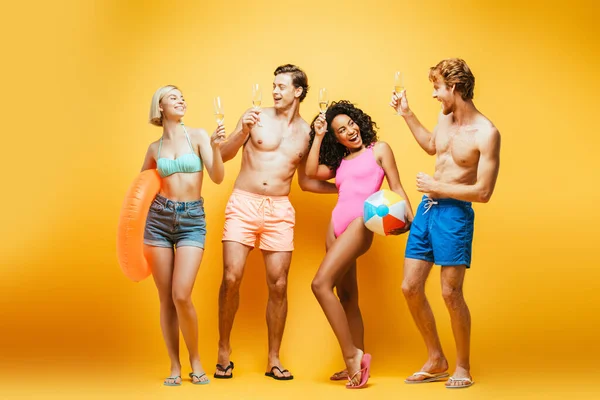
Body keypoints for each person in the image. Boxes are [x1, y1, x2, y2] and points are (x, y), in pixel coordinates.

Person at [214, 65, 337, 380]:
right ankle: (223, 351)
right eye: (273, 85)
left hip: (280, 209)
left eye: (281, 86)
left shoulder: (309, 132)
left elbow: (307, 181)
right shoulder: (255, 117)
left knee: (279, 285)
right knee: (231, 277)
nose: (275, 91)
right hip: (244, 202)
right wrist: (241, 130)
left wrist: (343, 188)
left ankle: (273, 358)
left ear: (298, 91)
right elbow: (224, 156)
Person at [390, 58, 501, 389]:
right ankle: (436, 358)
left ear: (453, 87)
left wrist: (438, 187)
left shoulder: (487, 133)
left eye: (437, 87)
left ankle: (462, 367)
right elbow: (431, 145)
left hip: (454, 214)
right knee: (410, 287)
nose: (435, 95)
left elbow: (483, 192)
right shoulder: (444, 117)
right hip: (427, 210)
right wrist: (406, 114)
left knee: (450, 293)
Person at [306, 101, 414, 388]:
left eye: (351, 124)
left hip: (359, 224)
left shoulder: (379, 149)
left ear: (359, 122)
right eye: (341, 130)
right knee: (348, 296)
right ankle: (354, 366)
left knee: (319, 284)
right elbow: (308, 175)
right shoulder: (340, 162)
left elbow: (396, 186)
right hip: (335, 226)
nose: (349, 131)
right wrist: (317, 136)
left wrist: (409, 219)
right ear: (336, 138)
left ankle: (352, 355)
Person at [141, 85, 226, 386]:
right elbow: (140, 190)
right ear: (160, 107)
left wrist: (215, 147)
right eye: (172, 96)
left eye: (182, 96)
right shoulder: (155, 148)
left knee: (181, 295)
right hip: (158, 222)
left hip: (192, 220)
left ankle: (196, 360)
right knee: (166, 299)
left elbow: (217, 177)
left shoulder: (200, 136)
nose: (181, 99)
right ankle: (175, 365)